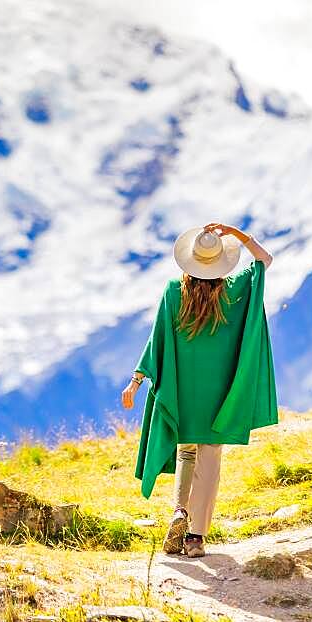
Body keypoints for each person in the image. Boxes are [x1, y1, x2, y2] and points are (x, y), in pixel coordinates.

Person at [122, 222, 278, 558]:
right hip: (218, 394)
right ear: (221, 263)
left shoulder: (173, 292)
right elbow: (265, 260)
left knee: (186, 452)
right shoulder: (235, 290)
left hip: (184, 393)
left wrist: (136, 380)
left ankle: (179, 510)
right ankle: (195, 538)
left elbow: (157, 340)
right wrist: (235, 233)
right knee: (210, 456)